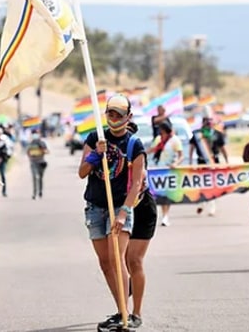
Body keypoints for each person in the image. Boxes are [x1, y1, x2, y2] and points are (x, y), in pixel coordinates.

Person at [78, 94, 145, 331]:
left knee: (118, 258)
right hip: (95, 207)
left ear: (128, 116)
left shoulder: (134, 145)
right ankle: (121, 309)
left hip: (119, 207)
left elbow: (137, 183)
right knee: (105, 262)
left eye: (119, 114)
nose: (113, 118)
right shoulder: (96, 137)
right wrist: (96, 154)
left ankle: (125, 316)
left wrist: (124, 212)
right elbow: (82, 172)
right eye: (110, 113)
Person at [125, 120, 157, 331]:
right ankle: (122, 309)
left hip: (141, 209)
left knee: (134, 261)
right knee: (122, 263)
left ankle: (136, 313)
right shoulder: (107, 156)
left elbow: (138, 183)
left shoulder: (136, 153)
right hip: (117, 209)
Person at [188, 117, 228, 216]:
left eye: (210, 122)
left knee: (213, 184)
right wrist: (190, 161)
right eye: (206, 123)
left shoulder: (217, 134)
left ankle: (212, 206)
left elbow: (223, 149)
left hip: (213, 162)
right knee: (202, 184)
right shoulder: (197, 135)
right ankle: (201, 203)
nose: (208, 124)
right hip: (201, 162)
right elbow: (191, 148)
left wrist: (227, 161)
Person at [147, 119, 184, 226]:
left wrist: (176, 164)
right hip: (158, 170)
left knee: (166, 195)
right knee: (158, 194)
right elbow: (152, 149)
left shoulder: (175, 141)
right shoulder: (159, 139)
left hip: (169, 170)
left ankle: (165, 216)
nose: (161, 133)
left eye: (163, 131)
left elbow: (181, 156)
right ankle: (161, 215)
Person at [26, 129, 49, 199]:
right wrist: (30, 156)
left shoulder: (42, 143)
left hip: (41, 162)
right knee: (35, 177)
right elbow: (28, 152)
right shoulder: (30, 143)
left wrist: (41, 149)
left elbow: (47, 151)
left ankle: (40, 191)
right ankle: (34, 193)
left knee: (40, 178)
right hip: (33, 163)